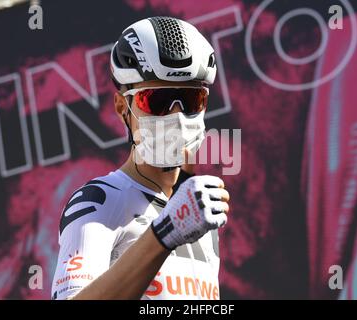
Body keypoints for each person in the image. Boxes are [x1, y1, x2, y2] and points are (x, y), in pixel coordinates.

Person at [51, 16, 230, 300]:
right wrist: (166, 232)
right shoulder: (98, 201)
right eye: (156, 101)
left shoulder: (201, 213)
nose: (177, 116)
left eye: (192, 100)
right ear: (123, 108)